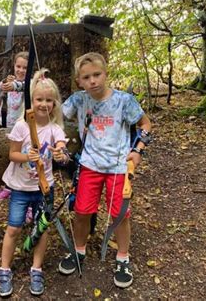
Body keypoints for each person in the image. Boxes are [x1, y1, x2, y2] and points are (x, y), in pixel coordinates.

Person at [58, 52, 152, 289]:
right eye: (86, 77)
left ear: (105, 73)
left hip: (118, 166)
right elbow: (54, 114)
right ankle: (78, 251)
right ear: (79, 81)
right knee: (81, 211)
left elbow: (145, 123)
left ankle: (122, 257)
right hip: (89, 164)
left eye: (97, 75)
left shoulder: (123, 101)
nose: (93, 81)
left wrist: (138, 150)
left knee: (120, 214)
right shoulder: (79, 100)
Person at [0, 68, 70, 297]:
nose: (43, 104)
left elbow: (61, 148)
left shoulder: (55, 128)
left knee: (42, 228)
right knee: (14, 227)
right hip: (20, 188)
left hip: (44, 188)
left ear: (55, 104)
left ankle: (36, 268)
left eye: (49, 100)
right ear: (31, 101)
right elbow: (12, 155)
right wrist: (27, 156)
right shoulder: (22, 126)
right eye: (39, 99)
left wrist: (60, 154)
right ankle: (4, 268)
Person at [0, 52, 28, 202]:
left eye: (24, 67)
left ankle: (15, 188)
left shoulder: (30, 83)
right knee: (5, 157)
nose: (21, 70)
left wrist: (14, 85)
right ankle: (6, 186)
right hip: (4, 126)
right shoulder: (7, 82)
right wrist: (3, 84)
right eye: (18, 66)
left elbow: (25, 87)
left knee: (18, 158)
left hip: (21, 129)